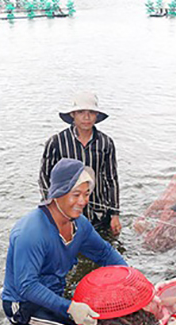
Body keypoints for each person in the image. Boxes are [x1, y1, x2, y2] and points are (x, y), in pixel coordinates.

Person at [4, 159, 127, 325]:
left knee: (103, 321)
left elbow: (104, 253)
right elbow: (27, 286)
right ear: (57, 194)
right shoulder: (31, 233)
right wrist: (70, 308)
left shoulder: (79, 225)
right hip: (23, 305)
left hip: (54, 293)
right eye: (75, 195)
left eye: (86, 194)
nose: (83, 201)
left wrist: (129, 278)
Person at [39, 91, 122, 236]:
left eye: (91, 112)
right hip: (65, 212)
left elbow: (111, 179)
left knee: (103, 251)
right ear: (73, 115)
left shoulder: (106, 143)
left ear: (97, 116)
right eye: (81, 112)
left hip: (99, 214)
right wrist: (52, 207)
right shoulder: (56, 142)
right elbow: (45, 178)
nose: (86, 117)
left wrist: (114, 214)